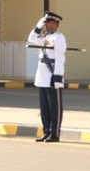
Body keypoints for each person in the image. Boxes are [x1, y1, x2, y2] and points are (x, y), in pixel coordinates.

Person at [28, 11, 66, 142]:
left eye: (47, 22)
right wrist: (39, 23)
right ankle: (46, 131)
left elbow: (60, 58)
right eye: (45, 23)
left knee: (54, 108)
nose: (45, 25)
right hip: (42, 77)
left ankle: (54, 134)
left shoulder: (59, 38)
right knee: (44, 108)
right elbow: (31, 38)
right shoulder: (44, 37)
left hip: (52, 76)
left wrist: (58, 76)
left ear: (55, 24)